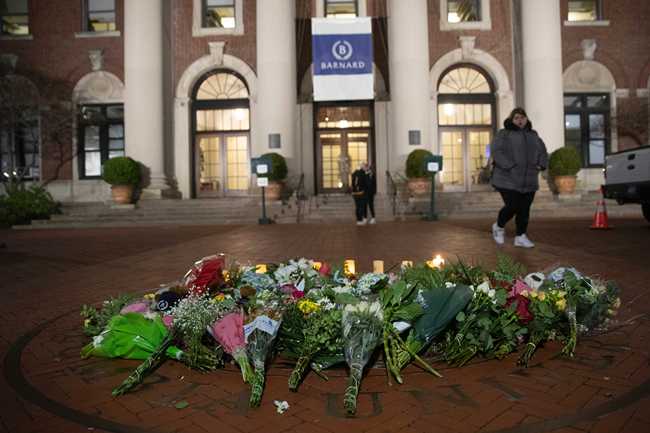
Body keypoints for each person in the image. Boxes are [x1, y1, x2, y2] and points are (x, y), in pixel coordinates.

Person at [490, 108, 548, 248]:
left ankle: (520, 236)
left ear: (526, 119)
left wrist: (541, 164)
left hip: (529, 179)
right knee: (513, 206)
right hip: (507, 179)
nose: (520, 120)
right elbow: (496, 151)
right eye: (516, 118)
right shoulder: (504, 134)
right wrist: (509, 165)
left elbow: (542, 152)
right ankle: (499, 226)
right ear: (511, 120)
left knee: (524, 209)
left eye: (522, 117)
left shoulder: (533, 135)